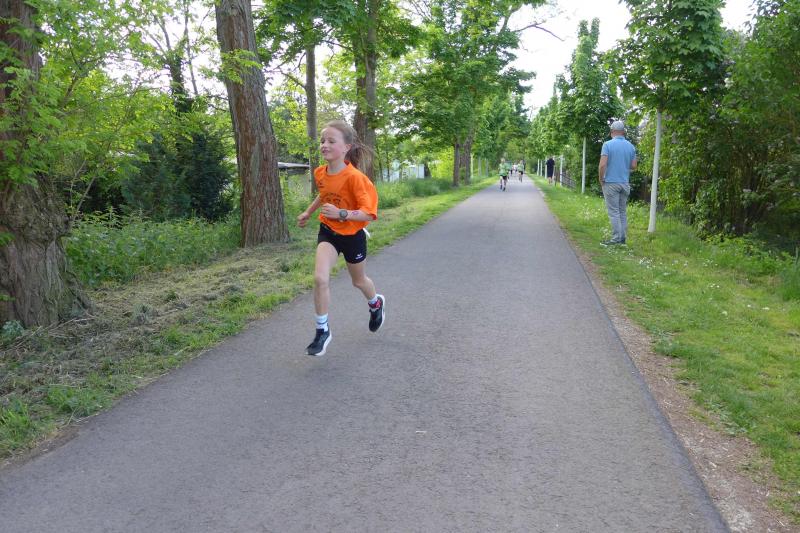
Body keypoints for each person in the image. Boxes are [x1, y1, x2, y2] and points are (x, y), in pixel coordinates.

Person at [297, 120, 385, 356]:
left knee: (359, 281)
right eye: (322, 141)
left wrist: (342, 213)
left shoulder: (356, 178)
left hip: (353, 235)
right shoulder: (320, 172)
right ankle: (322, 330)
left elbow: (369, 213)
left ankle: (376, 304)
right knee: (320, 278)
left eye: (331, 141)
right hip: (328, 232)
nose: (324, 145)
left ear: (346, 147)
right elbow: (324, 194)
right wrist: (308, 212)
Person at [598, 120, 638, 246]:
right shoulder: (631, 146)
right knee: (622, 211)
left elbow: (602, 165)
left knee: (614, 212)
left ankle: (616, 239)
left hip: (611, 183)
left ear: (612, 132)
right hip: (625, 183)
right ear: (623, 132)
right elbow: (634, 166)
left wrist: (601, 178)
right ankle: (622, 239)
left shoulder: (607, 145)